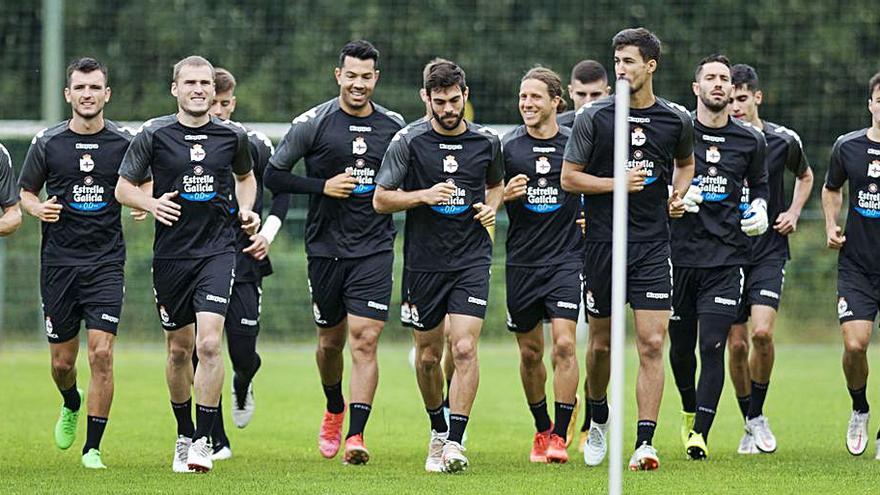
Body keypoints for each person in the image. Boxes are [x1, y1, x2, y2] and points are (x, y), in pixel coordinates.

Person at [115, 55, 259, 473]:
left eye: (205, 83)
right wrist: (150, 201)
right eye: (190, 82)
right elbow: (124, 186)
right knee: (179, 350)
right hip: (171, 256)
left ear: (215, 92)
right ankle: (183, 433)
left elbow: (246, 177)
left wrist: (246, 209)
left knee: (210, 343)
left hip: (217, 251)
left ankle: (203, 441)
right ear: (175, 88)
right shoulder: (154, 134)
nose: (198, 89)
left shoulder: (233, 136)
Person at [265, 40, 405, 465]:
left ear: (375, 78)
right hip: (325, 248)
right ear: (338, 74)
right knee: (330, 343)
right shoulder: (314, 123)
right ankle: (333, 407)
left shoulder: (394, 125)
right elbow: (274, 174)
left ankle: (356, 436)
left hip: (375, 246)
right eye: (351, 75)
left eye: (366, 76)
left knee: (365, 340)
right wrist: (321, 187)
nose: (358, 83)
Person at [561, 27, 695, 471]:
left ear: (650, 66)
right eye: (616, 61)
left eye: (629, 62)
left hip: (654, 246)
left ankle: (644, 443)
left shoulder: (676, 120)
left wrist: (677, 195)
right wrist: (616, 184)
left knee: (653, 342)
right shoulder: (594, 118)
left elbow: (686, 162)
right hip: (602, 245)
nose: (620, 69)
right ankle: (598, 416)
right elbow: (569, 177)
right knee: (600, 347)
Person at [374, 60, 503, 473]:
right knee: (428, 357)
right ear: (425, 99)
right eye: (440, 102)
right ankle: (437, 428)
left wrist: (491, 207)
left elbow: (496, 185)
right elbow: (381, 198)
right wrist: (423, 195)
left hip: (471, 258)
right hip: (424, 263)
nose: (448, 109)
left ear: (465, 96)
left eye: (454, 101)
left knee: (464, 347)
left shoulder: (486, 142)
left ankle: (456, 442)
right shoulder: (408, 141)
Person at [19, 57, 128, 470]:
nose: (88, 95)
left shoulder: (124, 142)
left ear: (107, 94)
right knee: (63, 364)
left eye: (95, 87)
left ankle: (93, 448)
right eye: (80, 88)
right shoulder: (48, 142)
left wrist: (142, 202)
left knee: (101, 354)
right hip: (59, 265)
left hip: (105, 263)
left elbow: (142, 181)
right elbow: (25, 192)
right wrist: (36, 209)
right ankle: (71, 401)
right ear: (68, 94)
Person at [668, 54, 768, 460]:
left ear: (731, 89)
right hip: (676, 257)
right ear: (696, 88)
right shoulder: (678, 131)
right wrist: (673, 196)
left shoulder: (750, 140)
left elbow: (760, 187)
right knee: (679, 349)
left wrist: (760, 209)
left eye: (724, 79)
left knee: (713, 346)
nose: (718, 84)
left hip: (726, 259)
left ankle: (700, 435)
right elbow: (655, 178)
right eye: (709, 77)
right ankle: (689, 409)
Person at [195, 67, 292, 460]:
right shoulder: (188, 144)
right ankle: (216, 439)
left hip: (244, 257)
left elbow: (281, 193)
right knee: (204, 348)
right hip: (201, 259)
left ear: (232, 102)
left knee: (244, 350)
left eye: (223, 103)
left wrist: (266, 235)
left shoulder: (253, 143)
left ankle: (243, 381)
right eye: (212, 103)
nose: (217, 111)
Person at [726, 63, 813, 455]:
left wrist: (793, 212)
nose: (735, 107)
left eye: (742, 99)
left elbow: (807, 176)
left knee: (761, 334)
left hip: (768, 251)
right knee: (737, 345)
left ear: (757, 97)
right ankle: (749, 420)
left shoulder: (783, 140)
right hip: (726, 253)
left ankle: (756, 415)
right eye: (729, 101)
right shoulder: (716, 138)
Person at [503, 67, 581, 463]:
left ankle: (561, 437)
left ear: (555, 102)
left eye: (535, 97)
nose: (527, 104)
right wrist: (504, 194)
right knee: (531, 353)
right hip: (522, 263)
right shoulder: (507, 147)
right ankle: (541, 428)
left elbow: (593, 186)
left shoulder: (574, 144)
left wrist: (588, 215)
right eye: (523, 97)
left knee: (565, 345)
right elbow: (483, 197)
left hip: (566, 260)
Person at [822, 71, 880, 458]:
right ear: (871, 103)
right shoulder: (848, 146)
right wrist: (830, 224)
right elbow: (831, 188)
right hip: (858, 264)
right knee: (855, 344)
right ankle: (859, 407)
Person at [558, 60, 611, 128]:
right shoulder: (555, 127)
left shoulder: (621, 128)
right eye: (581, 94)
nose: (588, 101)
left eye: (595, 95)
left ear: (607, 93)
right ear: (570, 92)